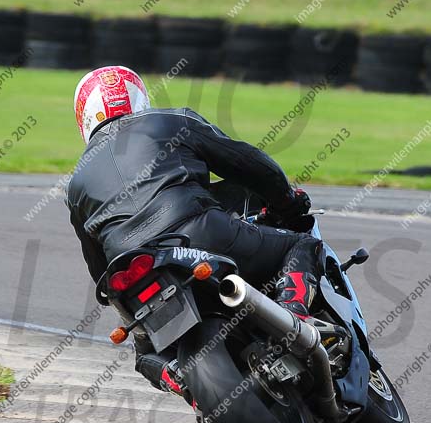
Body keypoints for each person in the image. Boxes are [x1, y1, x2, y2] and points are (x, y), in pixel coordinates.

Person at [66, 65, 322, 395]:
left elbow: (97, 265)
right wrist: (286, 200)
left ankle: (177, 375)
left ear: (83, 118)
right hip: (198, 233)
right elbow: (245, 162)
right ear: (140, 99)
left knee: (146, 354)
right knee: (300, 247)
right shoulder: (171, 121)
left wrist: (124, 298)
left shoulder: (76, 183)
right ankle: (296, 319)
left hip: (133, 270)